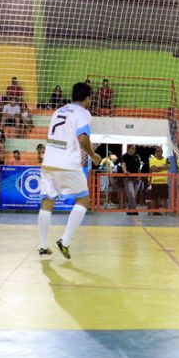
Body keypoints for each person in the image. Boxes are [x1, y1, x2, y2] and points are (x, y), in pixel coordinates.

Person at [37, 82, 102, 259]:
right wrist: (93, 155)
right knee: (83, 200)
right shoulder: (83, 113)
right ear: (88, 98)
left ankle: (43, 246)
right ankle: (64, 242)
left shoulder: (58, 111)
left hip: (49, 161)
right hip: (67, 163)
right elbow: (82, 138)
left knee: (47, 202)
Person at [121, 144, 141, 215]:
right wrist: (125, 171)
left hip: (136, 179)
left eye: (134, 149)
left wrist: (139, 176)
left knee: (133, 196)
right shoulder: (124, 156)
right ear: (128, 149)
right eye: (132, 148)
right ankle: (134, 209)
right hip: (128, 178)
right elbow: (123, 164)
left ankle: (129, 209)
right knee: (132, 195)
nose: (134, 150)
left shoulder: (136, 156)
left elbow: (138, 167)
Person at [149, 146, 169, 214]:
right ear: (155, 152)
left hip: (164, 182)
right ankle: (152, 212)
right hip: (155, 182)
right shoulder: (152, 159)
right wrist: (163, 167)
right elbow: (153, 169)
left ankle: (166, 212)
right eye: (158, 151)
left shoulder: (166, 159)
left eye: (160, 151)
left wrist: (157, 168)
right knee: (153, 198)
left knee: (165, 198)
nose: (159, 152)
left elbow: (168, 167)